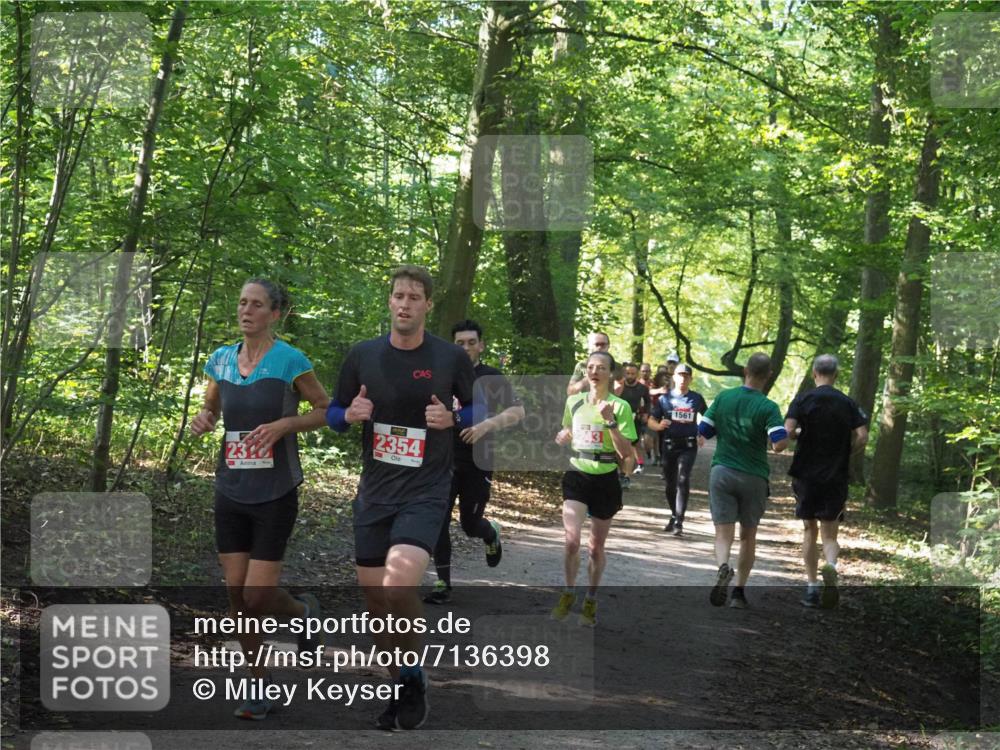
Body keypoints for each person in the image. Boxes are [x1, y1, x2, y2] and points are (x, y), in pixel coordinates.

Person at [326, 265, 475, 730]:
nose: (405, 303)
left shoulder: (450, 358)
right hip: (374, 492)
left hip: (426, 490)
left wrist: (454, 419)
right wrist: (349, 413)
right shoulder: (362, 355)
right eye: (398, 296)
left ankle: (410, 677)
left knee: (398, 584)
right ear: (389, 302)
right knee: (376, 605)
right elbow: (332, 412)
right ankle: (401, 686)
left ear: (428, 304)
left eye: (414, 296)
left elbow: (479, 406)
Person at [190, 278, 330, 721]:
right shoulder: (221, 360)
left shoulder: (291, 360)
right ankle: (259, 684)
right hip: (230, 488)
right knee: (237, 595)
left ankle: (305, 610)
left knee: (257, 595)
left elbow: (328, 410)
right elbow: (212, 408)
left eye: (256, 305)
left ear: (275, 313)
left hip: (275, 492)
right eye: (242, 303)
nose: (246, 311)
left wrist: (285, 425)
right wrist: (203, 418)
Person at [424, 319, 525, 605]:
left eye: (471, 342)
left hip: (478, 461)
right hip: (442, 460)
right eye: (460, 343)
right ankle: (442, 581)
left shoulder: (492, 377)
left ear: (481, 345)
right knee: (438, 519)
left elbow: (518, 411)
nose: (466, 348)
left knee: (469, 524)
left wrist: (486, 425)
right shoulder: (439, 374)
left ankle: (490, 532)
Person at [551, 351, 637, 627]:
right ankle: (568, 592)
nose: (594, 371)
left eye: (601, 367)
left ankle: (590, 599)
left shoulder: (620, 406)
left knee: (596, 548)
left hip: (605, 478)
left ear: (611, 373)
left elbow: (626, 453)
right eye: (590, 367)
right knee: (571, 541)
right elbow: (566, 433)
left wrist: (610, 421)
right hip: (577, 473)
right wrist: (563, 437)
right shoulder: (574, 402)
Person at [697, 353, 788, 609]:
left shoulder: (724, 397)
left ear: (745, 370)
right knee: (748, 536)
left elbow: (703, 431)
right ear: (768, 375)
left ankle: (723, 566)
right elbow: (779, 444)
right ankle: (738, 593)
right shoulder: (769, 407)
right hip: (754, 476)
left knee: (723, 532)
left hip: (722, 472)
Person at [784, 355, 868, 609]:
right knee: (830, 534)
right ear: (836, 375)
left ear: (814, 373)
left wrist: (798, 436)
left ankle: (811, 588)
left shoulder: (803, 399)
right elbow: (863, 435)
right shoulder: (848, 403)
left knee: (809, 530)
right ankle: (831, 567)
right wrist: (846, 453)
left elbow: (787, 431)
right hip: (836, 474)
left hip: (806, 474)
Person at [648, 364, 708, 537]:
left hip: (688, 445)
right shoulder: (664, 399)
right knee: (670, 483)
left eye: (686, 375)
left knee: (683, 479)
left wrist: (703, 432)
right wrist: (659, 426)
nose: (683, 378)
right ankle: (674, 514)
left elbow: (709, 416)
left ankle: (679, 522)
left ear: (690, 378)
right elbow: (651, 420)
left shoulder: (696, 398)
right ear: (674, 377)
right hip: (668, 444)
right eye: (680, 375)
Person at [616, 362, 650, 487]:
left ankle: (626, 476)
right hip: (617, 420)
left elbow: (648, 402)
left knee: (630, 448)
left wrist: (646, 413)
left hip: (634, 421)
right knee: (618, 450)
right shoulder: (618, 387)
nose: (630, 376)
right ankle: (621, 472)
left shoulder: (642, 388)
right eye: (627, 373)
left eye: (633, 373)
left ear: (637, 374)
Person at [567, 331, 611, 396]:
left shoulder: (616, 366)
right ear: (591, 346)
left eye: (603, 344)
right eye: (597, 344)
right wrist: (588, 378)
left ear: (608, 346)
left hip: (609, 404)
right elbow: (570, 392)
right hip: (587, 404)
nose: (599, 347)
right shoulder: (582, 366)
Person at [639, 363, 658, 466]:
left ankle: (650, 453)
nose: (645, 373)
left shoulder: (654, 384)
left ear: (650, 372)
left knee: (648, 442)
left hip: (651, 416)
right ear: (640, 372)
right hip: (637, 416)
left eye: (647, 371)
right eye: (643, 371)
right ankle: (639, 462)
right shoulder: (636, 384)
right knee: (636, 442)